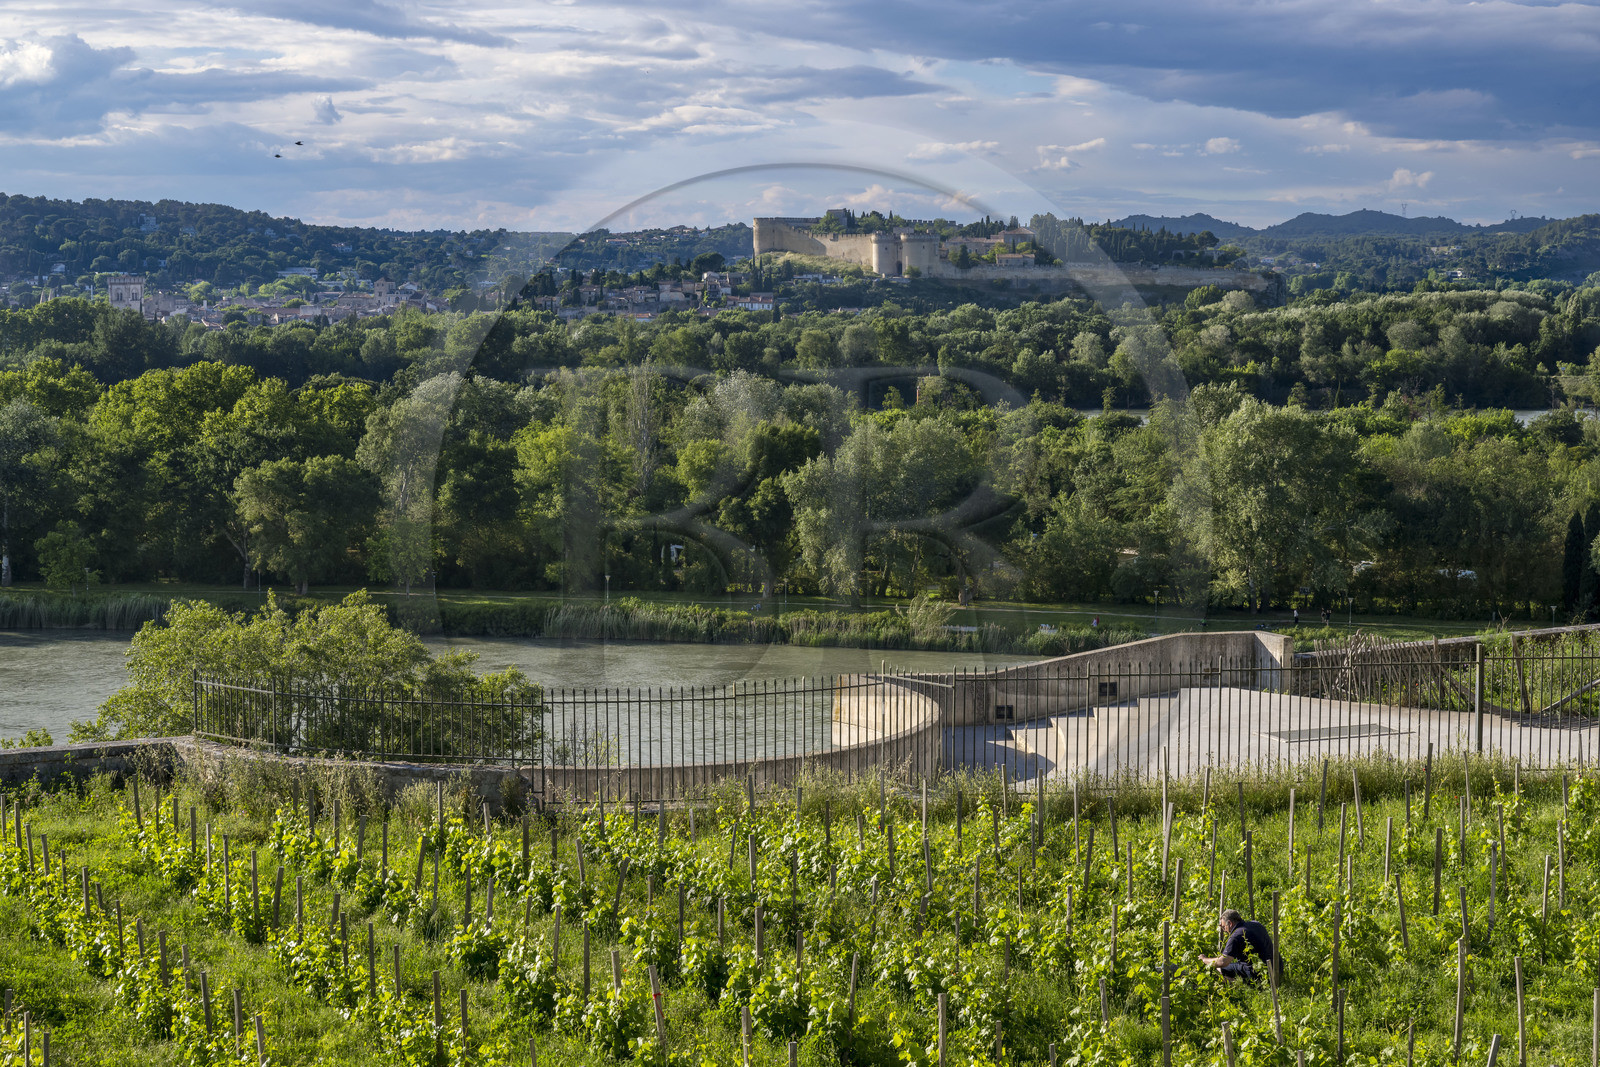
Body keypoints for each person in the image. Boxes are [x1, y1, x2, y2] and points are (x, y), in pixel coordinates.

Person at [1198, 909, 1276, 983]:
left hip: (1258, 974)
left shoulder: (1236, 936)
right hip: (1275, 968)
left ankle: (1240, 984)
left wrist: (1204, 959)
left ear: (1230, 923)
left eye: (1224, 927)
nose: (1224, 930)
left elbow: (1223, 962)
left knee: (1219, 968)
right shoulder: (1255, 924)